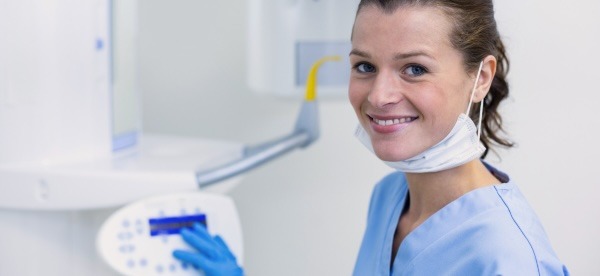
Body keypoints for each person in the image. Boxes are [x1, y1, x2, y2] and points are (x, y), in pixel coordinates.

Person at [172, 0, 569, 275]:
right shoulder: (390, 199)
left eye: (414, 69)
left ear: (480, 78)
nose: (378, 96)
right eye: (364, 65)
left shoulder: (508, 259)